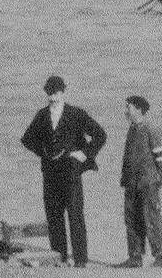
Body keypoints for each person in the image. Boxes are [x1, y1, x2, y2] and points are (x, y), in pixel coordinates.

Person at [19, 76, 106, 266]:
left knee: (75, 214)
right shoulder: (42, 115)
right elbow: (26, 139)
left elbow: (100, 135)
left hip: (72, 171)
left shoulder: (76, 114)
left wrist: (84, 154)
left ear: (63, 92)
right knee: (53, 215)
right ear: (46, 93)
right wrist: (44, 152)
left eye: (56, 93)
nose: (53, 97)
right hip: (50, 172)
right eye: (50, 93)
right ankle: (59, 257)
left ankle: (81, 260)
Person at [116, 95, 162, 268]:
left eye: (128, 108)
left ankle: (160, 257)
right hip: (131, 184)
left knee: (151, 218)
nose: (126, 111)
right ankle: (135, 256)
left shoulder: (151, 129)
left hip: (147, 184)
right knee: (131, 218)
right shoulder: (133, 129)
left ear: (139, 109)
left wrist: (155, 182)